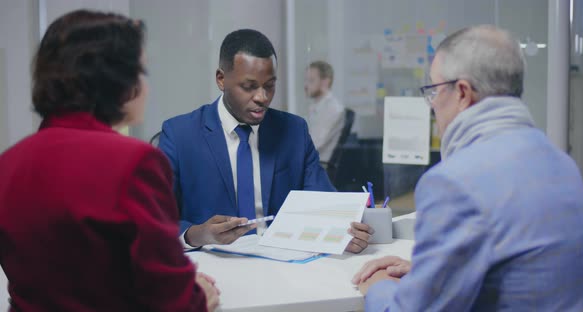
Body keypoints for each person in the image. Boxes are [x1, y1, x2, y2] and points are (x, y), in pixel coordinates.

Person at [352, 25, 583, 310]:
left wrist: (379, 287)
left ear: (463, 92)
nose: (431, 105)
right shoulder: (561, 163)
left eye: (433, 90)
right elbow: (522, 272)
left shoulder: (455, 182)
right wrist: (427, 273)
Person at [0, 10, 219, 311]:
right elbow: (174, 302)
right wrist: (198, 295)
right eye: (142, 72)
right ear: (119, 81)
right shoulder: (135, 162)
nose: (147, 87)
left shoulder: (8, 164)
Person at [159, 29, 373, 253]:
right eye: (249, 87)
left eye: (269, 86)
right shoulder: (180, 134)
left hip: (285, 263)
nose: (262, 97)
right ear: (221, 79)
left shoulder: (294, 132)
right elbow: (156, 220)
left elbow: (325, 204)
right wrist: (197, 234)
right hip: (213, 265)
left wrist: (345, 232)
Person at [304, 61, 345, 163]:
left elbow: (314, 144)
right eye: (306, 80)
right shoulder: (317, 107)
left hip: (319, 166)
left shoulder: (332, 109)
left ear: (325, 82)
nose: (306, 85)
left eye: (311, 80)